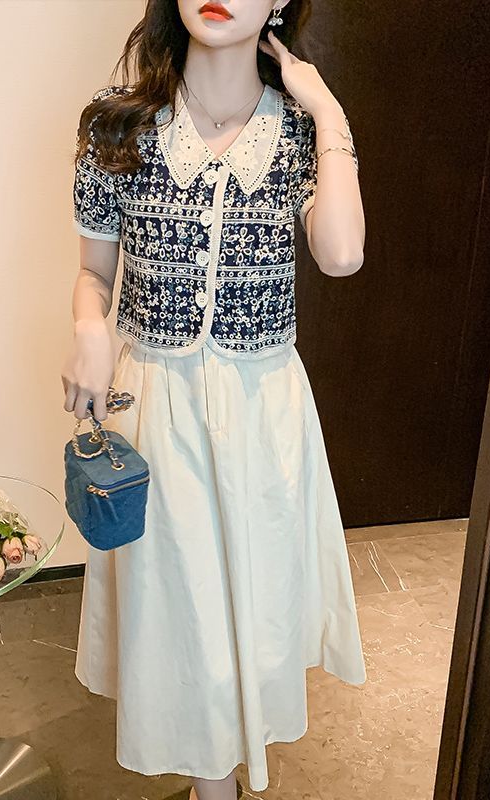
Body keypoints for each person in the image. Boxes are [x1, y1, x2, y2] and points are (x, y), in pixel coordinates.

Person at [61, 2, 367, 797]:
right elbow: (93, 272)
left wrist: (327, 111)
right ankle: (214, 784)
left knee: (254, 619)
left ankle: (222, 778)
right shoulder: (118, 128)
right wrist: (89, 326)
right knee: (182, 617)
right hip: (158, 407)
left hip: (264, 410)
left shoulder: (298, 135)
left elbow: (341, 253)